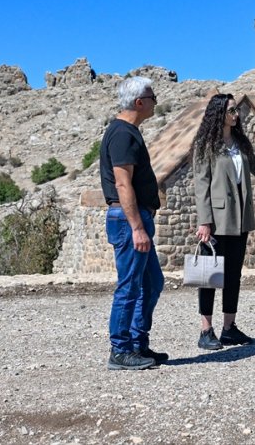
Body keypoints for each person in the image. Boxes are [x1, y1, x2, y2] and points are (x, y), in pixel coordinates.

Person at [192, 94, 255, 350]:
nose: (236, 115)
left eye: (236, 110)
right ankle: (206, 330)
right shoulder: (206, 145)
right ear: (219, 114)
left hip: (240, 219)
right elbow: (201, 185)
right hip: (216, 220)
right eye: (231, 111)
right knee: (209, 276)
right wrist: (204, 221)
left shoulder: (240, 143)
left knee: (233, 275)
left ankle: (229, 327)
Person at [100, 77, 166, 371]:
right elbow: (123, 184)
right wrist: (137, 227)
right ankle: (120, 349)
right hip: (130, 221)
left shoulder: (128, 132)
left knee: (152, 283)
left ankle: (138, 343)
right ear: (139, 102)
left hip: (136, 219)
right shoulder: (123, 134)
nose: (155, 102)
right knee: (130, 286)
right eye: (152, 97)